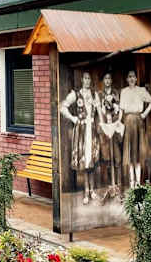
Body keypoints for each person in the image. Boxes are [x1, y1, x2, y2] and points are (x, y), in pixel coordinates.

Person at [60, 72, 100, 204]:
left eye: (89, 78)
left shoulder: (94, 94)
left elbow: (100, 110)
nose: (87, 80)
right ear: (82, 80)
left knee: (92, 160)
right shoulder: (76, 94)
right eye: (85, 78)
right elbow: (62, 107)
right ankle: (86, 191)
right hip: (82, 130)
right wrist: (73, 118)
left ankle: (92, 190)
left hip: (92, 129)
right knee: (84, 160)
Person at [120, 70, 151, 188]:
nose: (131, 79)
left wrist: (144, 114)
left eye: (133, 76)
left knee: (138, 152)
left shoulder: (141, 90)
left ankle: (138, 182)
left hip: (138, 121)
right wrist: (118, 123)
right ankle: (131, 182)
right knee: (130, 152)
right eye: (129, 77)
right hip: (128, 122)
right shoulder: (124, 92)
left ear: (136, 79)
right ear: (127, 79)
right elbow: (121, 110)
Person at [98, 72, 123, 197]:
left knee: (117, 158)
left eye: (109, 78)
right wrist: (103, 121)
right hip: (105, 128)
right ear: (103, 81)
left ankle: (118, 186)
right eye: (105, 78)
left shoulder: (115, 93)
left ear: (111, 80)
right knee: (106, 158)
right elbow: (99, 111)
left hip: (114, 127)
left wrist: (115, 119)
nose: (107, 80)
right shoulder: (100, 94)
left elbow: (119, 109)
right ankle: (109, 186)